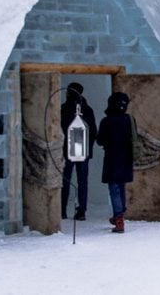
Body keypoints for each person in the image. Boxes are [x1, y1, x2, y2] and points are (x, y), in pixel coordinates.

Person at [96, 91, 134, 234]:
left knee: (114, 188)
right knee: (121, 186)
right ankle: (120, 214)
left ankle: (119, 218)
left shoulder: (107, 121)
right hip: (126, 158)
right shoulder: (129, 120)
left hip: (112, 158)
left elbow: (100, 140)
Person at [60, 82, 97, 221]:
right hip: (83, 151)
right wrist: (88, 148)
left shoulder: (64, 109)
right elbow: (93, 131)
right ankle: (81, 210)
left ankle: (62, 209)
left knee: (65, 181)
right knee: (82, 182)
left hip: (66, 150)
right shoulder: (87, 109)